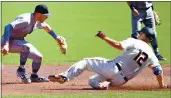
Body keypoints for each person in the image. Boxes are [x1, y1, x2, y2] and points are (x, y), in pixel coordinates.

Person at [48, 27, 168, 90]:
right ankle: (105, 85)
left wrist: (105, 38)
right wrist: (161, 86)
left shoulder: (135, 42)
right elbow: (158, 71)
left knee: (85, 62)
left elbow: (118, 45)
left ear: (144, 35)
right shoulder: (152, 55)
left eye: (141, 33)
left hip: (113, 69)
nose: (140, 34)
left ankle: (65, 77)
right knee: (92, 81)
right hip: (120, 81)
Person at [1, 4, 67, 84]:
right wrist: (6, 44)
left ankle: (34, 76)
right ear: (39, 14)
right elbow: (8, 27)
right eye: (45, 15)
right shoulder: (26, 20)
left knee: (38, 57)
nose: (47, 17)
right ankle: (21, 70)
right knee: (25, 47)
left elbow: (46, 27)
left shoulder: (36, 21)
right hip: (7, 41)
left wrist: (56, 37)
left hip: (19, 41)